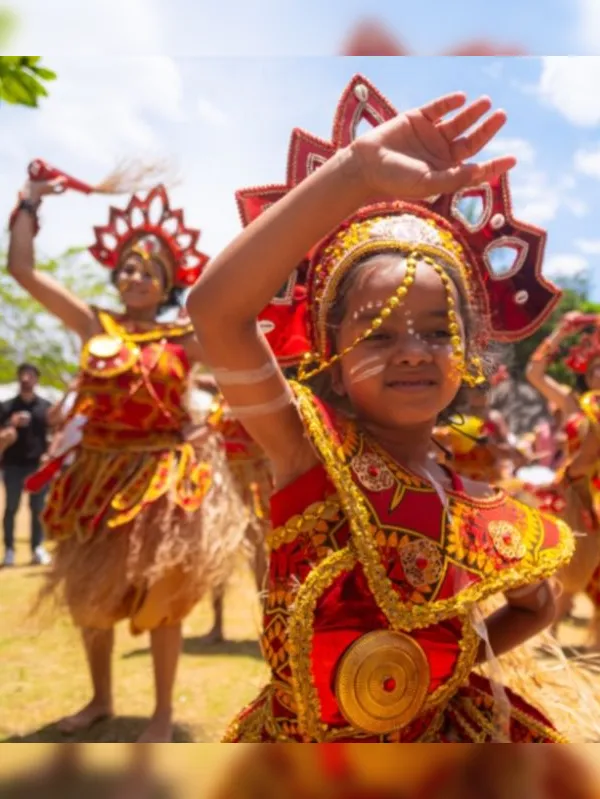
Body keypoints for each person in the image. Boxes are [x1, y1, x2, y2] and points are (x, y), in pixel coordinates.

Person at [187, 74, 576, 742]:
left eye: (436, 329)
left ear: (470, 346)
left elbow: (540, 603)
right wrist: (356, 173)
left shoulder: (485, 507)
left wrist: (443, 672)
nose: (414, 351)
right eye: (379, 331)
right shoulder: (307, 452)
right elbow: (215, 312)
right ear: (328, 349)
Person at [6, 177, 247, 741]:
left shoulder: (188, 336)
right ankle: (99, 700)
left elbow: (249, 344)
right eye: (129, 268)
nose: (136, 276)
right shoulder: (96, 325)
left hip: (162, 478)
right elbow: (21, 270)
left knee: (163, 594)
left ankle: (163, 713)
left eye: (150, 270)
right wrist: (32, 200)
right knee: (88, 597)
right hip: (92, 478)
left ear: (167, 283)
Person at [527, 312, 600, 645]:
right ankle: (548, 638)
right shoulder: (574, 405)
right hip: (575, 495)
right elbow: (535, 373)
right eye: (596, 366)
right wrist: (560, 332)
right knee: (566, 571)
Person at [0, 362, 53, 567]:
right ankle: (9, 550)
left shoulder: (45, 407)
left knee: (37, 508)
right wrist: (11, 425)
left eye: (30, 375)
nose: (26, 379)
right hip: (12, 465)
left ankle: (37, 548)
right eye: (23, 375)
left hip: (37, 466)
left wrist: (49, 455)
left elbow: (53, 433)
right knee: (11, 508)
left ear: (36, 380)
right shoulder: (6, 407)